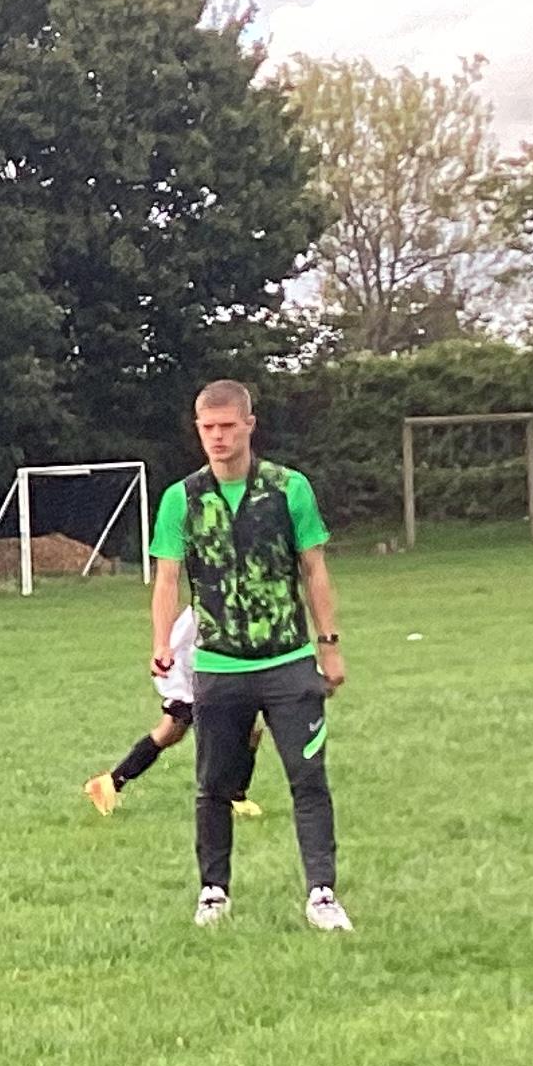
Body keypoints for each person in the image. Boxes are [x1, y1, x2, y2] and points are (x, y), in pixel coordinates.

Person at [149, 379, 352, 930]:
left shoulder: (288, 489)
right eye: (208, 428)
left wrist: (329, 645)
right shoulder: (181, 499)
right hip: (218, 667)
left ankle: (322, 894)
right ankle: (213, 892)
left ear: (249, 426)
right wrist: (162, 642)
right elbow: (167, 578)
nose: (217, 437)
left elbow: (315, 571)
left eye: (227, 427)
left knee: (307, 780)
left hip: (288, 661)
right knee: (213, 786)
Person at [84, 601, 263, 819]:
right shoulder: (213, 601)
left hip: (211, 665)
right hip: (192, 668)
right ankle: (232, 797)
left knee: (176, 731)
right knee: (239, 727)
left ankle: (109, 784)